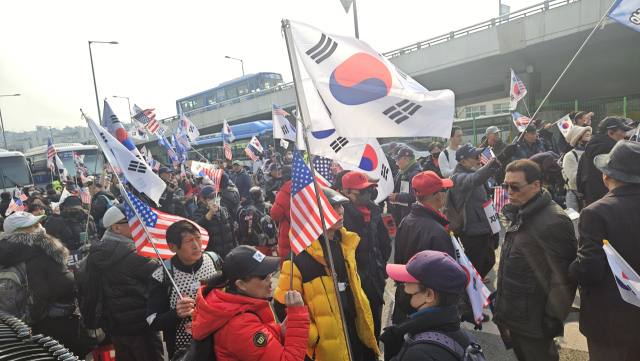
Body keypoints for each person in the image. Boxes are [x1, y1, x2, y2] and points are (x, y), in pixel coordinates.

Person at [274, 187, 380, 361]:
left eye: (341, 206)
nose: (340, 212)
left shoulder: (346, 243)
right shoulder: (299, 257)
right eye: (332, 207)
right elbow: (281, 305)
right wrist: (316, 337)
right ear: (314, 214)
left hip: (354, 332)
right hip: (327, 348)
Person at [494, 160, 578, 361]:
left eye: (515, 187)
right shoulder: (518, 212)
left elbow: (563, 279)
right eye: (505, 186)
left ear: (536, 185)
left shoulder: (553, 221)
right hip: (516, 313)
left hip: (535, 319)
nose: (508, 192)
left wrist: (552, 318)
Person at [567, 141, 640, 359]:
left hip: (611, 320)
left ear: (605, 176)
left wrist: (570, 267)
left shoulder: (595, 213)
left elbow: (589, 269)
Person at [0, 212, 96, 357]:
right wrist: (80, 274)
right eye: (33, 225)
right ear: (19, 231)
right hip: (53, 321)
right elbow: (66, 286)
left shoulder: (4, 252)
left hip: (19, 322)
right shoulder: (41, 251)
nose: (39, 226)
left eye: (38, 222)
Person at [191, 246, 310, 361]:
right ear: (241, 284)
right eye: (262, 275)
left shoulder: (232, 305)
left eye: (269, 271)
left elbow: (258, 343)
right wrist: (297, 317)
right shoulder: (238, 325)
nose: (269, 277)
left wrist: (280, 331)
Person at [88, 205, 164, 360]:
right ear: (116, 228)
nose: (140, 226)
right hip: (142, 326)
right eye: (133, 222)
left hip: (116, 327)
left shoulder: (97, 252)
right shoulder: (133, 254)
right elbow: (164, 276)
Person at [147, 220, 222, 359]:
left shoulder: (214, 260)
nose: (196, 246)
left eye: (198, 238)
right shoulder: (162, 275)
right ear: (172, 247)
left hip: (218, 342)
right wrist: (175, 314)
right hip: (183, 350)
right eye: (189, 241)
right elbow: (152, 320)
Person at [380, 251, 470, 361]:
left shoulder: (418, 355)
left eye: (408, 282)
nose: (403, 286)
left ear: (429, 295)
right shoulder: (458, 328)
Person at [392, 171, 454, 324]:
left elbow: (398, 259)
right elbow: (447, 275)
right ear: (438, 195)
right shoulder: (437, 231)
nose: (445, 194)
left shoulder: (407, 220)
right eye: (444, 190)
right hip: (428, 303)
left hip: (409, 293)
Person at [450, 143, 517, 279]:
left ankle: (474, 286)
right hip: (472, 231)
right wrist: (499, 158)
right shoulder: (458, 177)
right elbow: (477, 178)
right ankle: (467, 295)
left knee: (489, 261)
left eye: (480, 155)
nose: (479, 158)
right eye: (475, 156)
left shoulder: (474, 171)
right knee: (473, 267)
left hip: (485, 226)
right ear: (463, 161)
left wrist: (494, 227)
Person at [340, 171, 392, 338]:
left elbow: (383, 243)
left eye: (369, 190)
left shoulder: (374, 209)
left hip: (375, 278)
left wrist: (381, 271)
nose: (367, 194)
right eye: (362, 191)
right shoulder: (339, 215)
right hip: (353, 282)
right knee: (357, 330)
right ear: (346, 192)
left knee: (375, 326)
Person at [577, 117, 632, 206]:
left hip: (592, 204)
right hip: (616, 203)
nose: (625, 134)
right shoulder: (617, 152)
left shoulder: (586, 152)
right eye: (622, 131)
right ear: (610, 132)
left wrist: (583, 198)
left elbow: (579, 177)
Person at [192, 185, 237, 260]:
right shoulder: (198, 212)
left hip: (229, 253)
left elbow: (232, 232)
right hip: (212, 256)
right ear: (204, 201)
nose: (215, 199)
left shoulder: (224, 210)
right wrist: (210, 213)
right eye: (211, 198)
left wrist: (236, 249)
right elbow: (196, 229)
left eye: (216, 196)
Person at [238, 187, 278, 256]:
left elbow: (249, 229)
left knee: (260, 263)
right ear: (261, 196)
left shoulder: (249, 211)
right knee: (275, 261)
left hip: (259, 243)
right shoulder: (269, 207)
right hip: (272, 240)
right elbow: (276, 222)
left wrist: (251, 239)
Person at [388, 148, 422, 227]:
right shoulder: (406, 171)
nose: (397, 162)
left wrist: (396, 196)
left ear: (407, 160)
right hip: (406, 212)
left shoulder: (414, 174)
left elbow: (414, 196)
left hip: (410, 213)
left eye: (399, 159)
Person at [562, 126, 592, 211]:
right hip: (575, 196)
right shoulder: (570, 156)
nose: (590, 139)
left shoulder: (591, 154)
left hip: (589, 194)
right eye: (587, 136)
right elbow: (574, 178)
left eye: (590, 135)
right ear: (578, 140)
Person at [270, 165, 293, 266]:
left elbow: (275, 215)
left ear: (284, 179)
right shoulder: (307, 189)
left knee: (288, 265)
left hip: (288, 233)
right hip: (306, 232)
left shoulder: (282, 194)